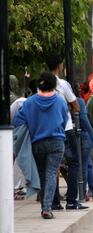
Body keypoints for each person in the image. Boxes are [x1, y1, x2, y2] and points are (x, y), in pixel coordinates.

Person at [13, 72, 68, 219]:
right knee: (51, 173)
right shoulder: (60, 101)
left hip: (37, 143)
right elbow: (64, 120)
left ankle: (45, 204)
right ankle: (47, 208)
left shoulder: (29, 102)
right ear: (54, 85)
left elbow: (18, 121)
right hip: (56, 141)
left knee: (43, 175)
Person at [46, 54, 88, 210]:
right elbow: (76, 105)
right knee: (74, 162)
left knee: (53, 167)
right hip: (66, 129)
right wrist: (68, 107)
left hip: (49, 130)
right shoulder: (62, 84)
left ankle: (55, 202)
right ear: (59, 65)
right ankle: (71, 201)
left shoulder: (41, 85)